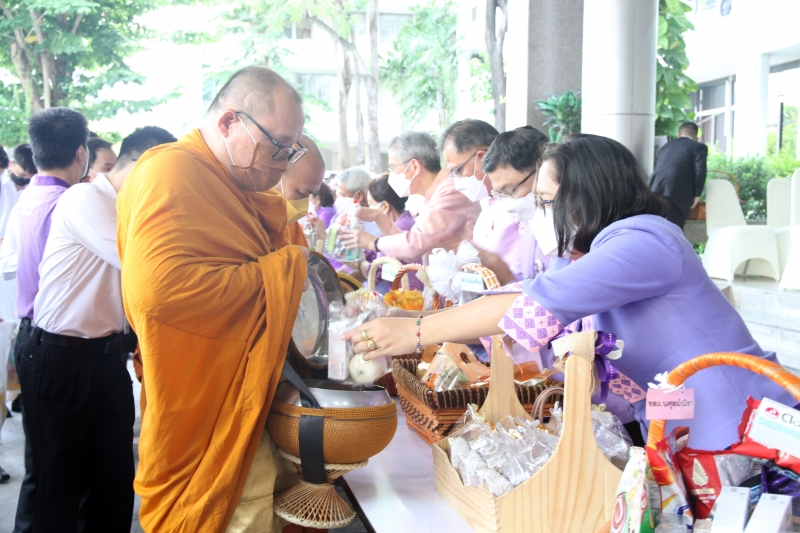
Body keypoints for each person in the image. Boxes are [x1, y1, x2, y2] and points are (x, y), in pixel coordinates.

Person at [345, 134, 795, 451]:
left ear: (587, 194)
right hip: (673, 424)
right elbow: (520, 310)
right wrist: (412, 324)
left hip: (739, 421)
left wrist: (418, 330)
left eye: (545, 200)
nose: (536, 213)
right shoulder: (580, 255)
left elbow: (537, 302)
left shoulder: (647, 240)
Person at [117, 66, 309, 532]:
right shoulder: (172, 170)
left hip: (247, 394)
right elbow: (160, 293)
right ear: (229, 123)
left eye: (293, 150)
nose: (284, 163)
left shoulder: (236, 189)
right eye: (279, 147)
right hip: (201, 407)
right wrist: (286, 270)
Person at [21, 126, 176, 532]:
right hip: (58, 358)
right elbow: (151, 269)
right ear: (147, 165)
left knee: (113, 484)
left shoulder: (131, 209)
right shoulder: (85, 198)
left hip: (106, 360)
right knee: (56, 490)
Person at [13, 106, 90, 533]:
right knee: (56, 469)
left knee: (44, 464)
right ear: (81, 153)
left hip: (32, 339)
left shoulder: (28, 197)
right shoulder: (69, 204)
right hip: (54, 345)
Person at [340, 131, 480, 263]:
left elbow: (415, 245)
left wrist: (372, 242)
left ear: (414, 166)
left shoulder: (451, 192)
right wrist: (379, 217)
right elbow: (410, 246)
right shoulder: (434, 194)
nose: (391, 176)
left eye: (393, 167)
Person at [477, 126, 552, 283]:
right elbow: (525, 286)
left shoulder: (571, 228)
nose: (508, 203)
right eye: (500, 194)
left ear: (542, 168)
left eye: (511, 190)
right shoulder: (533, 224)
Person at [358, 175, 423, 293]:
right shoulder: (404, 221)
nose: (368, 208)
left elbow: (376, 274)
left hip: (409, 298)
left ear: (384, 206)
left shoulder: (400, 228)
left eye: (370, 204)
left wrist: (359, 262)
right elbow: (378, 251)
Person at [649, 121, 708, 229]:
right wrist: (697, 195)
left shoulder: (667, 145)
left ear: (679, 134)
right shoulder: (698, 147)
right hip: (678, 193)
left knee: (654, 226)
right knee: (675, 229)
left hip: (655, 188)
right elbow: (700, 171)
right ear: (696, 137)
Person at [271, 134, 326, 247]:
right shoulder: (245, 218)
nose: (303, 207)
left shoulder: (288, 223)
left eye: (309, 195)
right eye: (301, 194)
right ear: (276, 176)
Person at [0, 144, 36, 242]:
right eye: (22, 174)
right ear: (11, 164)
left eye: (30, 176)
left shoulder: (34, 191)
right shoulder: (2, 185)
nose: (25, 179)